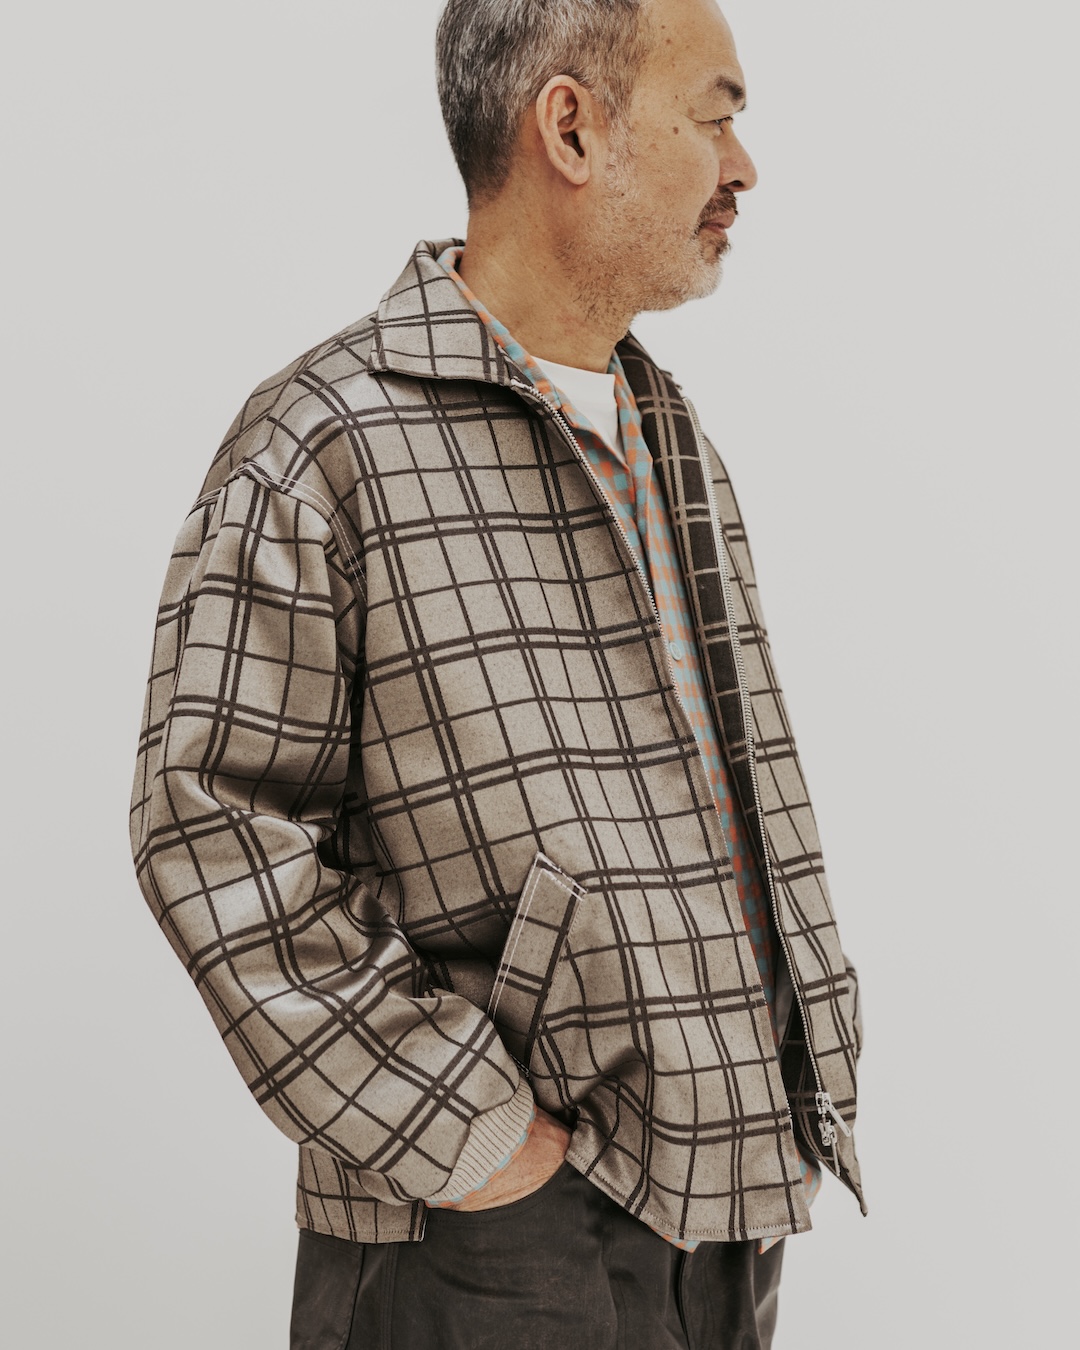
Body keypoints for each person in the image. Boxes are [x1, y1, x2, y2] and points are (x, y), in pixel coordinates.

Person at [129, 1, 865, 1345]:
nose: (743, 166)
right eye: (714, 116)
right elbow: (209, 826)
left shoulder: (668, 433)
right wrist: (474, 1138)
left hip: (724, 1215)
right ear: (570, 129)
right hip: (482, 1241)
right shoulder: (327, 441)